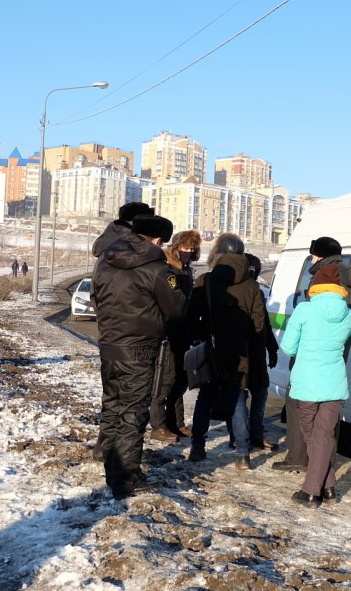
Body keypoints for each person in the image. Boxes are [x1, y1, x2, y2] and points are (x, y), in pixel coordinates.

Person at [90, 214, 187, 499]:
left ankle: (112, 465)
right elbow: (177, 310)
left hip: (109, 346)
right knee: (133, 414)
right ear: (157, 240)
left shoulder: (105, 264)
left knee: (112, 406)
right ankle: (124, 479)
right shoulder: (158, 271)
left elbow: (96, 299)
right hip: (141, 350)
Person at [273, 236, 351, 472]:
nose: (311, 259)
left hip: (312, 357)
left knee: (297, 404)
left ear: (319, 255)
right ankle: (324, 465)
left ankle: (299, 458)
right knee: (328, 417)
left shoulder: (327, 277)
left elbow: (314, 322)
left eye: (312, 255)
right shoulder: (349, 279)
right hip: (335, 357)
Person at [186, 233, 266, 469]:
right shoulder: (252, 285)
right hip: (240, 352)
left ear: (217, 253)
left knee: (205, 398)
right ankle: (242, 455)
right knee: (238, 401)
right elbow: (258, 325)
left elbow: (191, 318)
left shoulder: (206, 281)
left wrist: (200, 335)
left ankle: (197, 448)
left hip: (211, 351)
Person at [279, 263, 351, 505]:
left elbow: (288, 347)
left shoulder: (304, 310)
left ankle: (311, 492)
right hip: (335, 384)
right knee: (322, 436)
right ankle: (329, 486)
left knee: (314, 436)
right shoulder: (348, 312)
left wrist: (306, 349)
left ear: (315, 287)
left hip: (308, 384)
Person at [147, 229, 202, 444]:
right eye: (185, 248)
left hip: (184, 332)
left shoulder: (187, 270)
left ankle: (176, 422)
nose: (188, 252)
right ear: (176, 246)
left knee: (181, 380)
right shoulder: (168, 269)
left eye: (191, 249)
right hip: (168, 332)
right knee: (165, 380)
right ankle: (159, 426)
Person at [244, 253, 279, 452]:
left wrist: (272, 349)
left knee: (259, 394)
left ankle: (256, 434)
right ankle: (241, 437)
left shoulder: (257, 290)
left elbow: (264, 322)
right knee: (241, 397)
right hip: (240, 353)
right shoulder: (232, 288)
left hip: (256, 353)